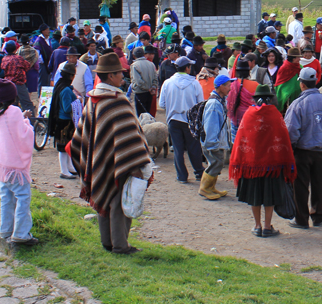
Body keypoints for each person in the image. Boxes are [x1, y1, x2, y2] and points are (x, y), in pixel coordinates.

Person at [70, 52, 152, 255]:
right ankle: (120, 245)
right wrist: (135, 164)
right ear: (111, 76)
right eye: (119, 74)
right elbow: (130, 136)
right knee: (118, 202)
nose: (122, 78)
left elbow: (82, 135)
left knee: (104, 194)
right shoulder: (117, 101)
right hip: (121, 161)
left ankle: (107, 241)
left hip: (99, 159)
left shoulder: (93, 100)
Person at [229, 84, 296, 237]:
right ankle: (267, 226)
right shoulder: (275, 114)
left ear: (255, 98)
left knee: (255, 196)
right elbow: (283, 138)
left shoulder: (248, 114)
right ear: (271, 98)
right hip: (272, 165)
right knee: (269, 196)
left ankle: (257, 225)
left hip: (251, 165)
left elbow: (241, 138)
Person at [0, 79, 38, 245]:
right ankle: (21, 233)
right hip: (15, 167)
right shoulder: (14, 112)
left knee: (6, 198)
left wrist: (21, 118)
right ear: (13, 96)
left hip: (1, 166)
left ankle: (5, 229)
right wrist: (26, 120)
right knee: (22, 198)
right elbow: (24, 135)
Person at [284, 67, 322, 229]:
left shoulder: (298, 104)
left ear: (302, 84)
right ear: (316, 81)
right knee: (318, 185)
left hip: (302, 151)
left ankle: (301, 219)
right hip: (321, 152)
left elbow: (291, 131)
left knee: (300, 186)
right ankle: (318, 216)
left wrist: (292, 148)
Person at [158, 56, 205, 184]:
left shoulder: (167, 83)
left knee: (178, 149)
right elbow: (200, 104)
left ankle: (182, 176)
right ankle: (199, 172)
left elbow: (161, 104)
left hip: (173, 119)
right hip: (189, 120)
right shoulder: (194, 83)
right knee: (194, 147)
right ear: (187, 68)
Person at [199, 74, 233, 200]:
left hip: (216, 141)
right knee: (215, 164)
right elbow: (211, 126)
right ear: (221, 87)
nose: (230, 88)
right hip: (213, 142)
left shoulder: (219, 100)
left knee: (217, 164)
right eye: (228, 86)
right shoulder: (214, 104)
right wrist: (212, 143)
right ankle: (205, 188)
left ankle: (211, 187)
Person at [48, 62, 80, 179]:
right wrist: (78, 101)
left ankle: (69, 167)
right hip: (65, 122)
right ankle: (64, 170)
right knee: (63, 147)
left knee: (67, 145)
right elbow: (67, 108)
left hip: (61, 121)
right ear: (71, 77)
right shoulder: (66, 90)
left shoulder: (60, 85)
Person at [1, 41, 35, 117]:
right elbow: (27, 66)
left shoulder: (4, 58)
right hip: (18, 83)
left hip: (8, 84)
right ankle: (32, 123)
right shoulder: (18, 58)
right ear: (15, 49)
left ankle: (13, 122)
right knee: (27, 104)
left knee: (12, 105)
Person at [129, 47, 159, 117]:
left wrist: (147, 88)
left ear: (134, 55)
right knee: (148, 114)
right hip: (150, 93)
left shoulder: (134, 65)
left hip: (140, 93)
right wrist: (153, 87)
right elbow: (155, 78)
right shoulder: (151, 64)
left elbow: (138, 81)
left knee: (141, 116)